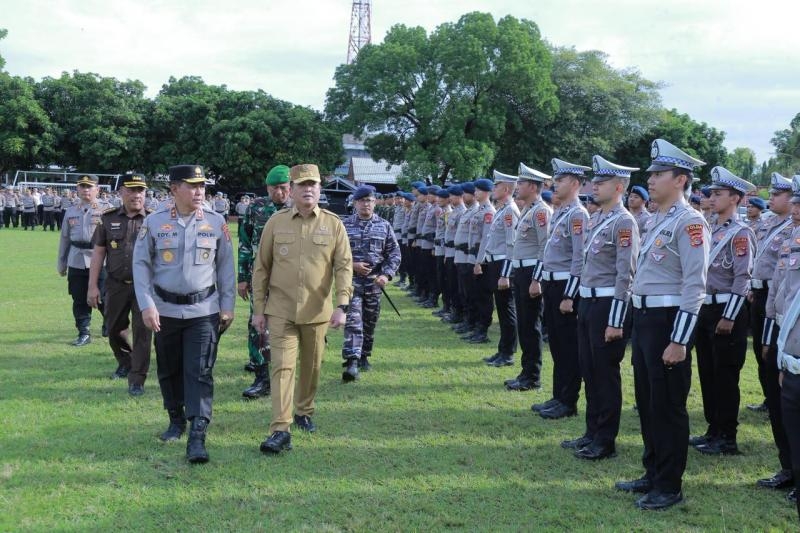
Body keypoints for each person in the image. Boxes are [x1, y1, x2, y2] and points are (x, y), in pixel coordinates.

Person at [615, 139, 709, 510]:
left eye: (658, 174)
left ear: (681, 179)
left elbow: (695, 286)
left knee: (668, 406)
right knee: (648, 401)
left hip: (668, 322)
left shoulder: (690, 222)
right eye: (651, 174)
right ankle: (652, 471)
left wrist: (679, 340)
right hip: (645, 319)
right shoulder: (658, 219)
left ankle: (669, 486)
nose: (651, 180)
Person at [133, 164, 235, 464]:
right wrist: (146, 305)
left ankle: (197, 434)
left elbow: (225, 268)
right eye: (192, 185)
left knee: (199, 371)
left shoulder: (216, 222)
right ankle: (175, 420)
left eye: (202, 185)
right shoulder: (154, 222)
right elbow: (141, 265)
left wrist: (227, 305)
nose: (199, 191)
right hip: (164, 310)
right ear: (174, 189)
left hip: (203, 310)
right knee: (169, 369)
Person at [251, 163, 353, 454]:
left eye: (313, 185)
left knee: (311, 367)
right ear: (292, 190)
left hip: (317, 311)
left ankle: (304, 411)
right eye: (302, 185)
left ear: (320, 189)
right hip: (280, 310)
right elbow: (261, 268)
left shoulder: (333, 224)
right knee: (282, 368)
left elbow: (344, 267)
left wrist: (342, 305)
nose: (308, 190)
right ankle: (280, 429)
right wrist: (259, 309)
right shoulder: (276, 222)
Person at [561, 155, 639, 460]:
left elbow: (625, 274)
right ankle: (591, 432)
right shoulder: (597, 219)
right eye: (594, 181)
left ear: (619, 187)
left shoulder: (624, 222)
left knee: (605, 375)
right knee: (589, 370)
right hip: (588, 301)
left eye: (602, 182)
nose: (594, 186)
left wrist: (616, 320)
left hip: (607, 305)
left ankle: (605, 440)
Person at [690, 167, 756, 456]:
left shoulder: (740, 233)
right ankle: (713, 429)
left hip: (727, 310)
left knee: (725, 375)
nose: (712, 198)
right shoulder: (710, 228)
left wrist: (729, 316)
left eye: (718, 193)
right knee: (708, 372)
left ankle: (727, 436)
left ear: (735, 198)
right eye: (712, 193)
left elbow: (743, 278)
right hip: (706, 308)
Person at [535, 158, 590, 420]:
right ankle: (558, 396)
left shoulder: (578, 214)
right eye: (555, 180)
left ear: (575, 184)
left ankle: (568, 401)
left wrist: (570, 294)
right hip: (551, 283)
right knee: (557, 345)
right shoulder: (561, 212)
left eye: (561, 180)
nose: (555, 184)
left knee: (568, 347)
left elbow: (579, 258)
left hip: (565, 286)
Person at [88, 174, 153, 395]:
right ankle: (125, 361)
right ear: (121, 192)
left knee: (143, 333)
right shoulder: (107, 219)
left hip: (145, 287)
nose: (136, 195)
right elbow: (98, 253)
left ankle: (137, 378)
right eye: (131, 190)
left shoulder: (154, 220)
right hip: (116, 285)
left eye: (140, 190)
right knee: (113, 328)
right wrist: (92, 286)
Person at [759, 174, 800, 494]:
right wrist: (769, 327)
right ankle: (790, 467)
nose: (796, 208)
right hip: (783, 330)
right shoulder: (790, 238)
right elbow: (777, 285)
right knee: (781, 405)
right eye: (795, 201)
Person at [237, 165, 291, 399]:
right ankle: (261, 377)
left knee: (289, 327)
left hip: (290, 281)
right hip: (260, 278)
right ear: (267, 188)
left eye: (283, 187)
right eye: (274, 188)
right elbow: (245, 242)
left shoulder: (299, 208)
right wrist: (242, 278)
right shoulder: (256, 208)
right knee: (257, 324)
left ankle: (285, 373)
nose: (279, 192)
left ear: (291, 187)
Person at [341, 185, 401, 381]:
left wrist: (386, 275)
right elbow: (334, 254)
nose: (365, 204)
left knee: (369, 321)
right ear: (355, 203)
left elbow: (394, 254)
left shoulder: (384, 226)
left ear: (374, 203)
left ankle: (364, 355)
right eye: (361, 201)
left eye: (369, 200)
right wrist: (353, 265)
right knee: (353, 320)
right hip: (351, 283)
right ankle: (352, 361)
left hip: (374, 283)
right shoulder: (344, 226)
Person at [749, 173, 795, 414]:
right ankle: (769, 398)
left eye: (777, 194)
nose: (771, 198)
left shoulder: (792, 227)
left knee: (773, 351)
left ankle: (778, 400)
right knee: (761, 349)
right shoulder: (769, 223)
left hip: (778, 296)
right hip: (760, 293)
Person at [504, 163, 551, 391]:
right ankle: (526, 372)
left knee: (531, 326)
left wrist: (537, 279)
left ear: (533, 187)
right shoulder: (529, 210)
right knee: (524, 324)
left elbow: (545, 246)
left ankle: (532, 377)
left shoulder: (541, 211)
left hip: (532, 273)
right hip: (521, 271)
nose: (517, 186)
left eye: (521, 183)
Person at [57, 175, 107, 346]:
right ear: (77, 189)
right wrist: (62, 263)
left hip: (100, 260)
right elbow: (64, 239)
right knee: (79, 298)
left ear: (97, 189)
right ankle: (84, 332)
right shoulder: (71, 211)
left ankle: (109, 323)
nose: (86, 190)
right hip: (76, 260)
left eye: (89, 186)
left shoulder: (107, 210)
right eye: (82, 186)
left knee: (103, 297)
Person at [476, 171, 519, 364]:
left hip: (503, 265)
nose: (493, 189)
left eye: (497, 185)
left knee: (506, 309)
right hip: (495, 263)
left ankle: (508, 353)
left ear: (507, 189)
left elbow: (511, 244)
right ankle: (502, 349)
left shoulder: (510, 211)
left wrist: (506, 274)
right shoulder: (502, 209)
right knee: (501, 309)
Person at [465, 178, 496, 344]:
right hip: (474, 257)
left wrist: (479, 261)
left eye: (478, 190)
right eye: (475, 190)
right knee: (475, 294)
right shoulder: (479, 210)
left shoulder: (489, 212)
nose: (475, 193)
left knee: (484, 296)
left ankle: (483, 330)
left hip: (482, 261)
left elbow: (486, 239)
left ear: (486, 192)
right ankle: (477, 327)